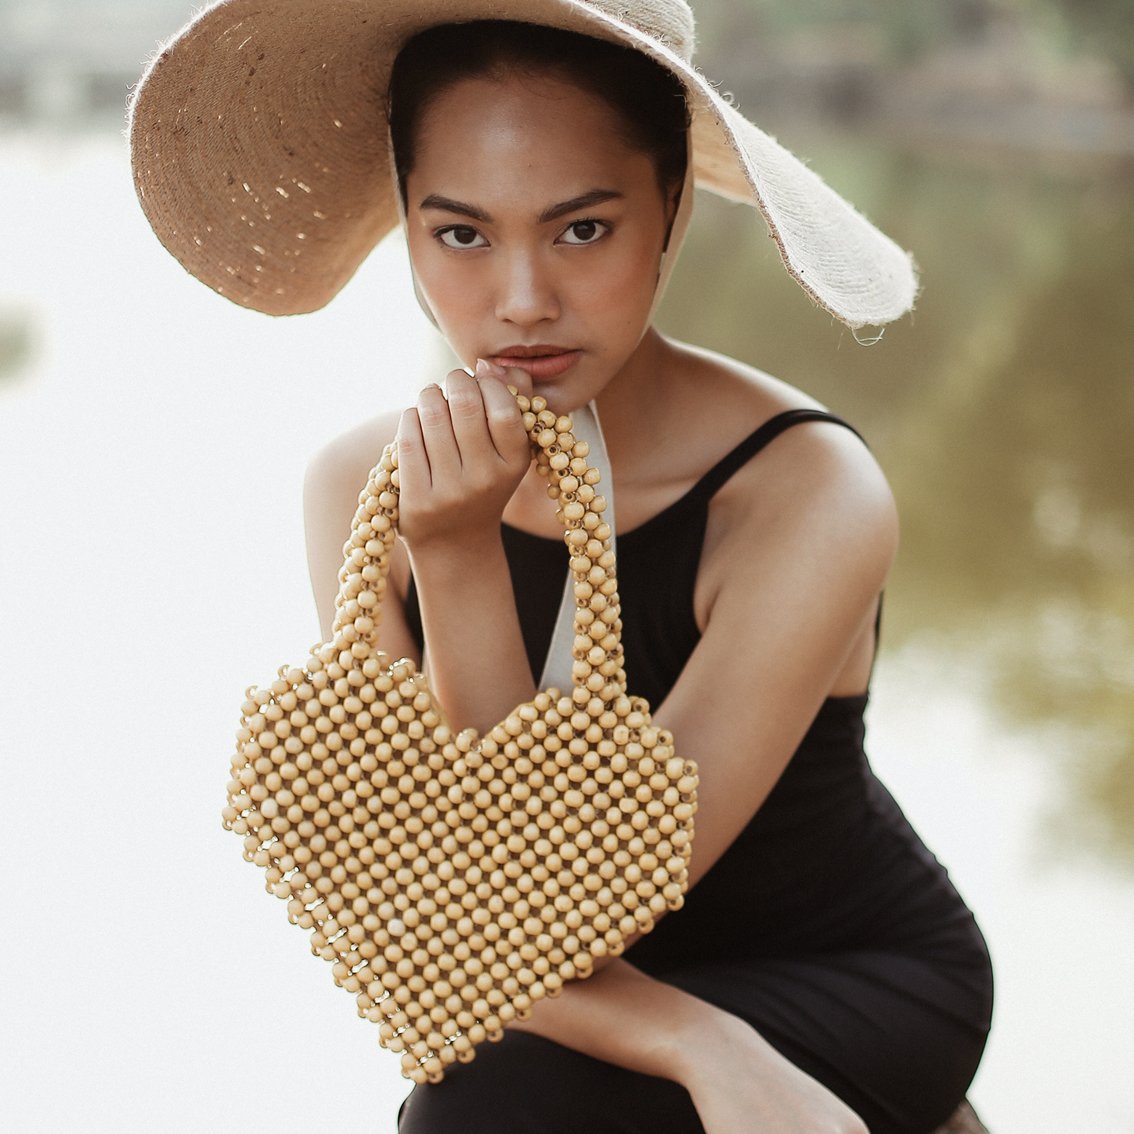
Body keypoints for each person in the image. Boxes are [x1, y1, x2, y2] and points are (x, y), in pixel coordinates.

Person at [130, 2, 993, 1132]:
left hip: (843, 965)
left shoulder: (802, 492)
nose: (522, 298)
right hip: (563, 1002)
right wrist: (693, 1038)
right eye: (461, 234)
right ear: (404, 225)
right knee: (476, 1094)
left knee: (485, 1104)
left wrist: (461, 563)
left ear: (672, 210)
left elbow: (559, 910)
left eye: (582, 230)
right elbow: (418, 903)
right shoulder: (358, 487)